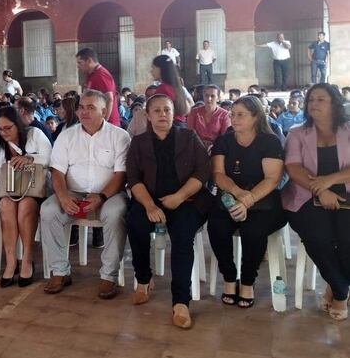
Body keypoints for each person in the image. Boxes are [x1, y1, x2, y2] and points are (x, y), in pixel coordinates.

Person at [126, 95, 212, 329]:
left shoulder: (188, 136)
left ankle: (181, 301)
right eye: (157, 111)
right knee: (135, 223)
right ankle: (143, 279)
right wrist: (150, 206)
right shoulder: (139, 142)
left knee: (183, 235)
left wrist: (179, 197)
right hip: (150, 200)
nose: (162, 114)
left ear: (174, 113)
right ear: (148, 115)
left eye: (167, 110)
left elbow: (204, 171)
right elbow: (133, 178)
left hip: (187, 199)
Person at [40, 90, 130, 298]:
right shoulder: (67, 135)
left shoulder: (119, 136)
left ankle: (109, 275)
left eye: (91, 108)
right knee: (48, 211)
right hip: (72, 192)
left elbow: (121, 174)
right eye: (81, 107)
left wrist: (102, 197)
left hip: (109, 194)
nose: (84, 112)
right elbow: (57, 171)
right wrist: (62, 196)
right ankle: (60, 271)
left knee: (116, 214)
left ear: (105, 112)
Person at [207, 96, 286, 308]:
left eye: (241, 114)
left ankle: (248, 281)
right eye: (232, 114)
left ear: (256, 116)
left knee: (253, 230)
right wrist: (237, 194)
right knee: (217, 227)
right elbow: (218, 174)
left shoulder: (269, 141)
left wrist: (248, 200)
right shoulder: (224, 141)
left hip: (263, 201)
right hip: (230, 197)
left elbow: (272, 179)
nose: (234, 118)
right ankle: (230, 277)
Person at [282, 84, 350, 320]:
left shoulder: (348, 130)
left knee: (347, 239)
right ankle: (341, 291)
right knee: (318, 238)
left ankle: (335, 284)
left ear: (334, 103)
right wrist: (320, 190)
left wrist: (330, 181)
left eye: (321, 99)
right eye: (311, 100)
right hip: (306, 197)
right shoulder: (297, 132)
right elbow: (293, 167)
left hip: (346, 195)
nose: (313, 104)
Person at [0, 106, 52, 287]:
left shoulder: (35, 134)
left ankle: (27, 259)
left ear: (18, 125)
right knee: (5, 205)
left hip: (35, 191)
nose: (4, 133)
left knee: (26, 205)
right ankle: (12, 261)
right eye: (0, 129)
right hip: (9, 192)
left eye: (8, 128)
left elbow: (52, 158)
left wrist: (30, 158)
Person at [75, 48, 119, 126]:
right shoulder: (91, 75)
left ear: (89, 60)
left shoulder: (101, 75)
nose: (78, 66)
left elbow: (109, 99)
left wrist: (103, 124)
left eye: (80, 63)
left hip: (108, 124)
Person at [187, 84, 232, 150]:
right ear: (203, 96)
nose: (209, 98)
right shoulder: (194, 112)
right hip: (196, 147)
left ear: (218, 98)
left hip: (217, 148)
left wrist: (213, 147)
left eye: (212, 96)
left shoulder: (224, 115)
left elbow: (224, 137)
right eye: (206, 95)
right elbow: (190, 133)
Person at [151, 55, 190, 124]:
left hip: (169, 126)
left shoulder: (163, 89)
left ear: (161, 69)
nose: (151, 71)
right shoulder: (178, 87)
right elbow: (187, 109)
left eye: (153, 67)